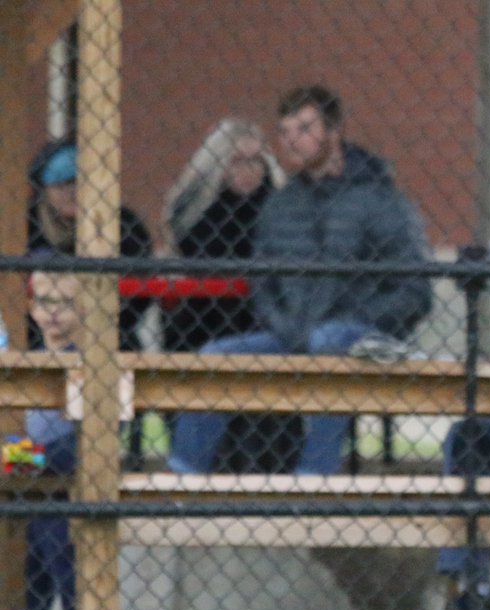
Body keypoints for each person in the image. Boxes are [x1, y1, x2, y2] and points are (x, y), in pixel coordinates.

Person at [167, 86, 432, 475]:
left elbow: (414, 291)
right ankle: (179, 481)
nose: (292, 140)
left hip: (363, 338)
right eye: (286, 131)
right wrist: (285, 324)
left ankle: (313, 482)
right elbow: (263, 284)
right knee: (214, 358)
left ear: (333, 130)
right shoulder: (282, 204)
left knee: (329, 340)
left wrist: (355, 319)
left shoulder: (380, 199)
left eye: (304, 128)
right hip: (290, 335)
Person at [161, 118, 288, 351]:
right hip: (200, 320)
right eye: (238, 161)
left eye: (256, 161)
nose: (248, 170)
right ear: (219, 163)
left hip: (261, 321)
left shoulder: (278, 207)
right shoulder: (198, 212)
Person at [26, 140, 153, 351]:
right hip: (38, 333)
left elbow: (140, 291)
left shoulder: (123, 224)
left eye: (78, 182)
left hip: (111, 331)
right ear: (44, 190)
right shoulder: (28, 224)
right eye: (60, 184)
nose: (72, 191)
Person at [19, 270, 83, 610]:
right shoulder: (29, 362)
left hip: (70, 494)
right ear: (31, 308)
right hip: (33, 493)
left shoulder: (90, 361)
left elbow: (80, 446)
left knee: (63, 569)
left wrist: (15, 458)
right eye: (44, 301)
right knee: (33, 574)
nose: (53, 312)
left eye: (64, 301)